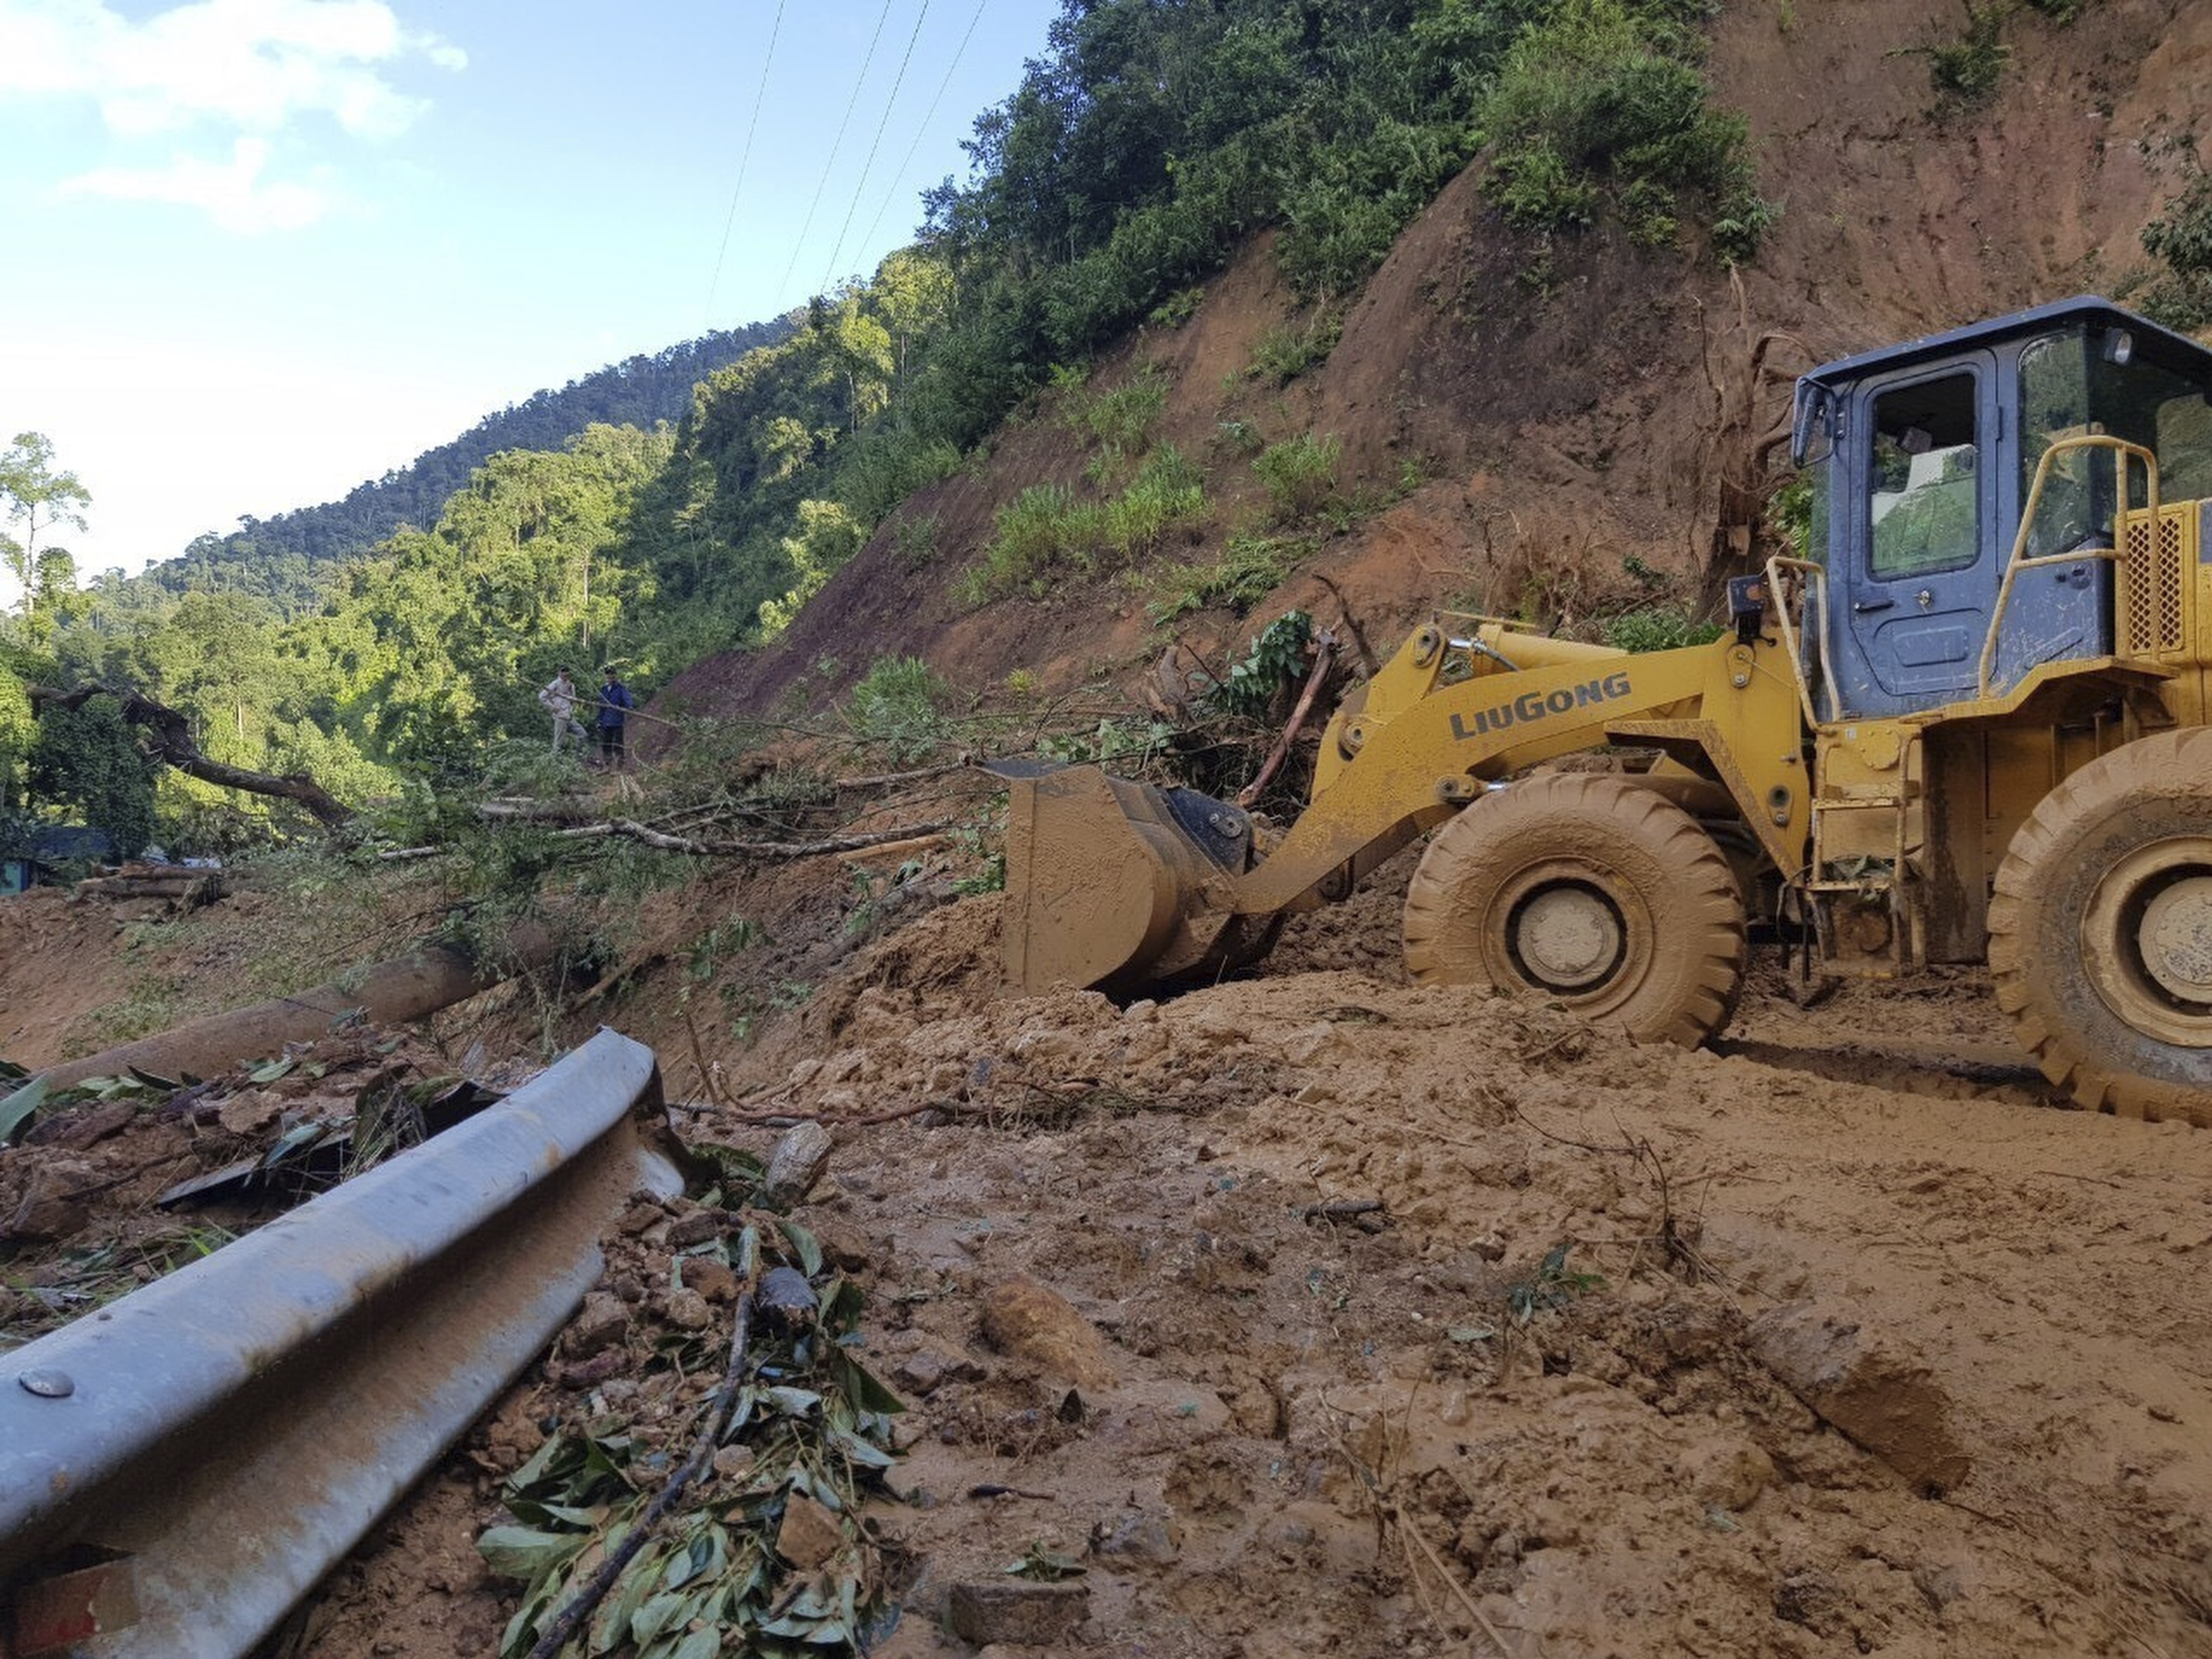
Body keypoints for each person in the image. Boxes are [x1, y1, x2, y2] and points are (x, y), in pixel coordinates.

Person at [538, 666, 588, 754]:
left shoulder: (571, 685)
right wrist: (552, 707)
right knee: (558, 743)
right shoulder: (555, 684)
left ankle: (577, 755)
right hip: (560, 717)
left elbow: (573, 700)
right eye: (563, 672)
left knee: (583, 734)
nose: (566, 674)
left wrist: (576, 705)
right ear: (559, 673)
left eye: (567, 672)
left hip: (569, 716)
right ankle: (553, 762)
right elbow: (542, 697)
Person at [595, 666, 636, 769]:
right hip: (606, 721)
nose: (610, 676)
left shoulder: (620, 688)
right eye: (608, 674)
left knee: (618, 743)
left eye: (612, 674)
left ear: (615, 675)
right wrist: (600, 721)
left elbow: (627, 698)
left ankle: (619, 766)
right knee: (606, 743)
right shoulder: (604, 689)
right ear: (606, 676)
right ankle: (608, 766)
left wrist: (630, 707)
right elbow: (601, 707)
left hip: (617, 720)